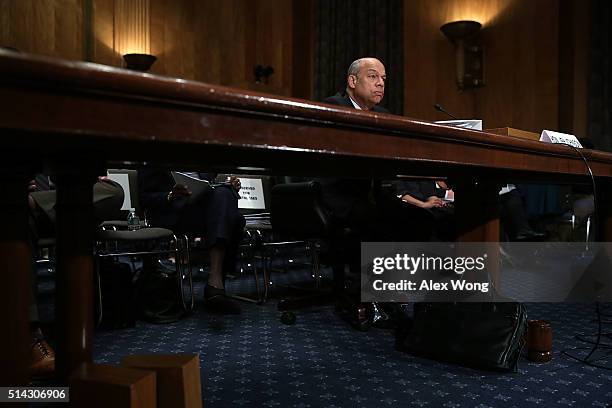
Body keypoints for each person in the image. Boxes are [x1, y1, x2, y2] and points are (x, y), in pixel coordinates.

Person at [318, 57, 433, 330]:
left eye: (384, 78)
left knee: (421, 218)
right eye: (373, 77)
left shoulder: (385, 114)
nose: (381, 83)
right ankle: (370, 295)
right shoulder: (334, 107)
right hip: (338, 194)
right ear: (352, 81)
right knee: (376, 219)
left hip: (373, 194)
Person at [28, 175, 125, 378]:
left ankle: (34, 204)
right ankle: (30, 338)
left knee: (113, 190)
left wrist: (86, 176)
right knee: (16, 219)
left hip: (54, 201)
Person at [137, 169, 245, 314]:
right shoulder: (154, 155)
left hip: (201, 211)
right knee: (234, 219)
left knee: (225, 193)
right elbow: (144, 198)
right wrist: (170, 195)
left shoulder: (199, 154)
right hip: (171, 212)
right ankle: (216, 288)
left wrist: (226, 183)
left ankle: (215, 279)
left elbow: (210, 185)